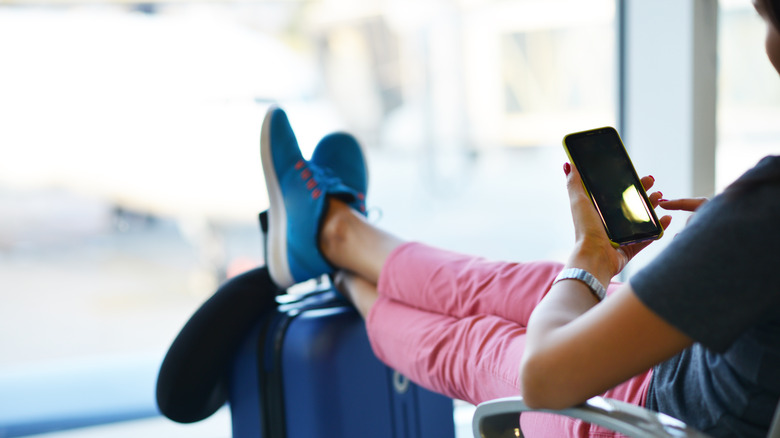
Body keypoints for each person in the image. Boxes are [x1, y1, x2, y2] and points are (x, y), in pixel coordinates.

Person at [259, 1, 780, 436]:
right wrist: (720, 254)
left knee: (474, 346)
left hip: (644, 413)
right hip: (685, 355)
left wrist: (590, 259)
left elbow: (544, 379)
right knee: (509, 283)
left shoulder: (765, 211)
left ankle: (334, 252)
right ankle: (340, 234)